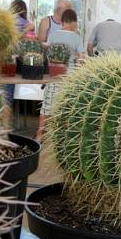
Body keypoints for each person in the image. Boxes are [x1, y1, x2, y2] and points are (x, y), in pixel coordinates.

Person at [36, 8, 85, 141]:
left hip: (54, 76)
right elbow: (81, 60)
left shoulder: (53, 35)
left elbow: (46, 49)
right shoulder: (77, 38)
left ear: (62, 22)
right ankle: (62, 138)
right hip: (70, 78)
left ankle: (39, 135)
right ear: (74, 23)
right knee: (67, 107)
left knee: (47, 106)